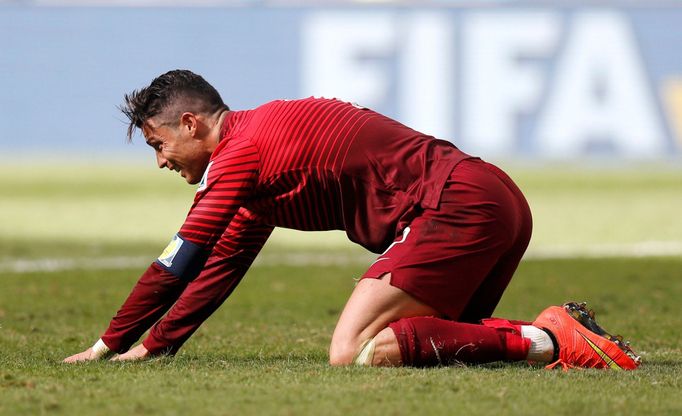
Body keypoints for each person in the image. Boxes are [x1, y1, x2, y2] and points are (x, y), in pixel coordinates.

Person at [63, 70, 639, 370]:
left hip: (457, 205)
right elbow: (219, 266)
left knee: (354, 350)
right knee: (410, 345)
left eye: (157, 144)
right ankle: (559, 336)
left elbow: (180, 260)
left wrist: (107, 344)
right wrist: (155, 345)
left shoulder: (240, 152)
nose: (161, 161)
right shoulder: (255, 157)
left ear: (190, 124)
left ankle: (547, 339)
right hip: (494, 200)